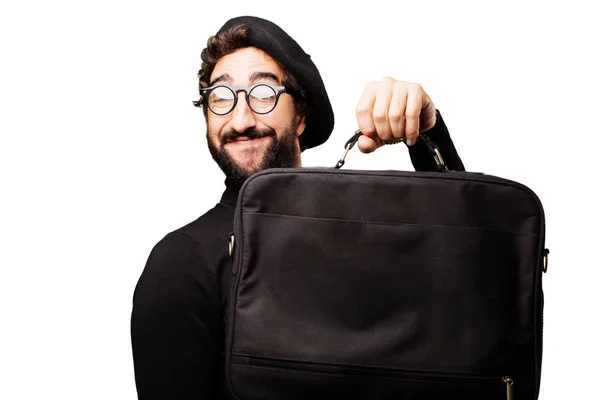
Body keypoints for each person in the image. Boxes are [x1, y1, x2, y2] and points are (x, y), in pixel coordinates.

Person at [131, 15, 464, 399]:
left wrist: (428, 135)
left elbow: (471, 281)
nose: (240, 119)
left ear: (301, 116)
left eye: (263, 93)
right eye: (220, 97)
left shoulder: (363, 233)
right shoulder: (181, 264)